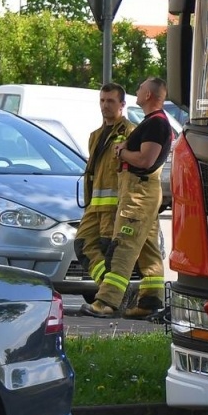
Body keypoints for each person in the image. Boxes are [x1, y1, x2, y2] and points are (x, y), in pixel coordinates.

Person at [81, 77, 172, 319]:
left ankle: (106, 302)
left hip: (138, 195)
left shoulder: (155, 123)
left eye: (141, 88)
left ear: (149, 95)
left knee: (123, 248)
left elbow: (145, 160)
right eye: (102, 100)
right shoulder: (151, 122)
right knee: (148, 250)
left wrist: (122, 152)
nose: (137, 91)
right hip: (140, 194)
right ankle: (150, 302)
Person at [77, 83, 135, 289]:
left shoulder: (130, 132)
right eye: (102, 100)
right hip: (94, 206)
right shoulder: (95, 135)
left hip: (114, 208)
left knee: (108, 251)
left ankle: (110, 296)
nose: (105, 105)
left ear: (122, 104)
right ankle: (110, 289)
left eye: (110, 101)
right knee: (82, 244)